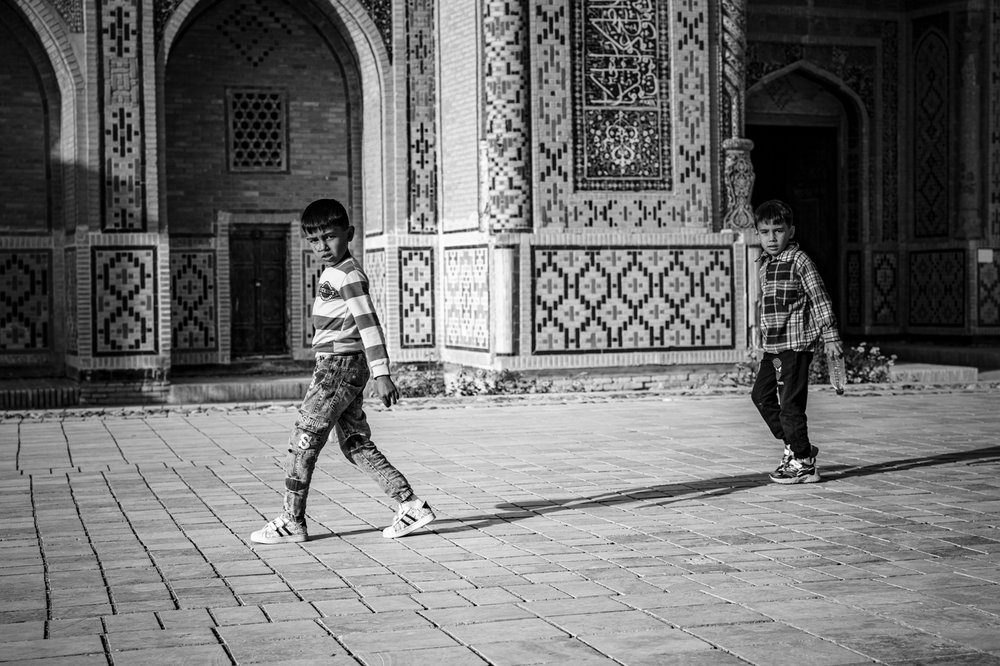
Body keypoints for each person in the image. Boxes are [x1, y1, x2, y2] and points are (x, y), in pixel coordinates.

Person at [251, 198, 435, 544]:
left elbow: (368, 323)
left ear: (348, 234)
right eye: (314, 240)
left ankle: (292, 520)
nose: (322, 247)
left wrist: (382, 373)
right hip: (336, 366)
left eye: (329, 237)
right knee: (354, 444)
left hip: (338, 368)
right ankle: (411, 506)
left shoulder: (348, 274)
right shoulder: (335, 272)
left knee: (303, 442)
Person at [750, 199, 843, 484]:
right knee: (761, 397)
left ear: (791, 231)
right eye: (765, 232)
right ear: (758, 234)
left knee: (790, 405)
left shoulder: (800, 261)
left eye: (778, 230)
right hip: (773, 349)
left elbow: (820, 299)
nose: (772, 238)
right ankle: (795, 445)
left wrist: (830, 338)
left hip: (795, 347)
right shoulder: (765, 266)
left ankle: (804, 462)